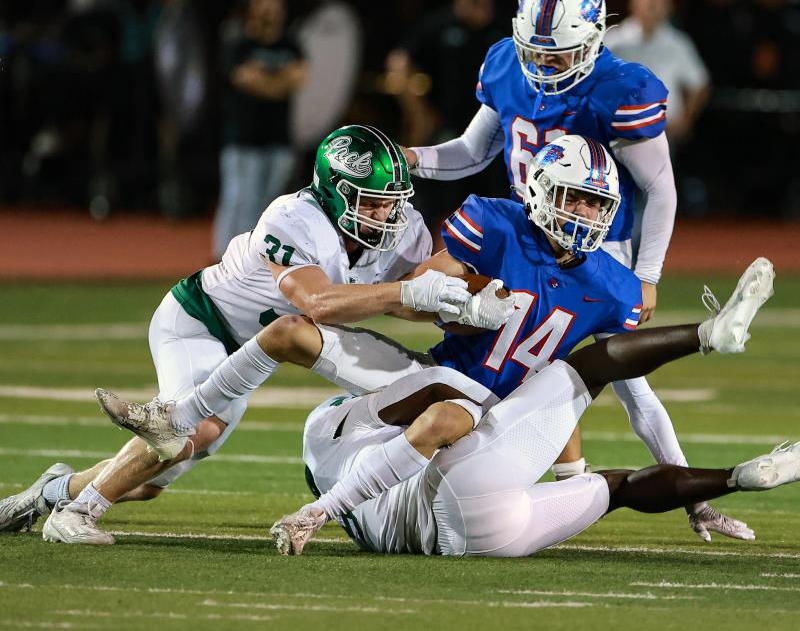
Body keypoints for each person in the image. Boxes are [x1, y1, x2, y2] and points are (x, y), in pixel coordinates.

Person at [95, 135, 756, 543]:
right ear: (540, 190)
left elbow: (616, 382)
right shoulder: (493, 224)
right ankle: (176, 422)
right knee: (294, 341)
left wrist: (686, 491)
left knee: (159, 476)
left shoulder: (610, 284)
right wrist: (458, 302)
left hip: (502, 418)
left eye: (594, 204)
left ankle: (63, 492)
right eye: (573, 198)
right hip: (430, 384)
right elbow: (418, 298)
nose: (583, 215)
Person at [0, 125, 493, 544]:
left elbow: (405, 297)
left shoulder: (402, 226)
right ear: (337, 192)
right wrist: (410, 296)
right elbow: (318, 303)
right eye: (375, 203)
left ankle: (46, 493)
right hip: (200, 322)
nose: (389, 215)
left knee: (152, 481)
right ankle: (77, 513)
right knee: (187, 433)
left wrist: (461, 303)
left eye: (393, 202)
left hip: (251, 351)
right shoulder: (292, 218)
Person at [400, 0, 696, 515]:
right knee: (513, 362)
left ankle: (682, 491)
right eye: (532, 51)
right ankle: (549, 482)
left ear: (591, 41)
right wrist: (413, 159)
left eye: (555, 54)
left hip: (595, 249)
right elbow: (472, 152)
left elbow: (662, 188)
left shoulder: (619, 89)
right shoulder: (507, 64)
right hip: (524, 234)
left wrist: (648, 274)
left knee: (621, 379)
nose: (540, 65)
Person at [270, 253, 800, 557]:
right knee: (582, 371)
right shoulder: (329, 430)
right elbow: (437, 401)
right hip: (457, 487)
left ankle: (736, 477)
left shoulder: (361, 515)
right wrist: (322, 510)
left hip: (485, 539)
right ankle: (708, 336)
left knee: (615, 489)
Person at [385, 0, 510, 237]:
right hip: (448, 130)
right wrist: (420, 114)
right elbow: (398, 62)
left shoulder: (506, 28)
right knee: (441, 210)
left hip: (495, 135)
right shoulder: (439, 25)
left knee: (496, 209)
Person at [212, 0, 307, 260]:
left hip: (279, 139)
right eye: (263, 1)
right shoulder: (238, 42)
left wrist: (266, 81)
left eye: (275, 2)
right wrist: (278, 83)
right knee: (239, 202)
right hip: (243, 138)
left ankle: (257, 261)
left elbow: (299, 78)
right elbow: (244, 79)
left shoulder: (292, 43)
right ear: (252, 8)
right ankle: (226, 261)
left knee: (272, 206)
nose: (270, 9)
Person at [604, 0, 711, 147]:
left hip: (664, 134)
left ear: (667, 3)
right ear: (632, 1)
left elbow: (700, 84)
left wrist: (686, 120)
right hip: (620, 132)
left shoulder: (678, 43)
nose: (651, 4)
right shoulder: (612, 41)